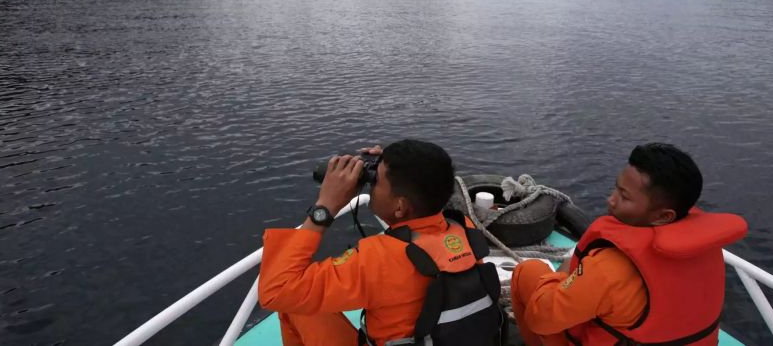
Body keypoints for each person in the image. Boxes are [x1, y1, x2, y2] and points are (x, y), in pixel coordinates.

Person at [258, 139, 503, 346]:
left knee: (295, 306)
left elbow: (277, 290)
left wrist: (326, 207)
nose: (371, 185)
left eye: (377, 180)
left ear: (400, 206)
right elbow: (429, 176)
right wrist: (395, 162)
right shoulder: (463, 229)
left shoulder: (378, 259)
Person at [511, 143, 747, 345]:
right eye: (616, 188)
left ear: (664, 216)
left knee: (527, 272)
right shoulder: (706, 248)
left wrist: (567, 270)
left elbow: (540, 318)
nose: (611, 200)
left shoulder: (607, 269)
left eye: (624, 196)